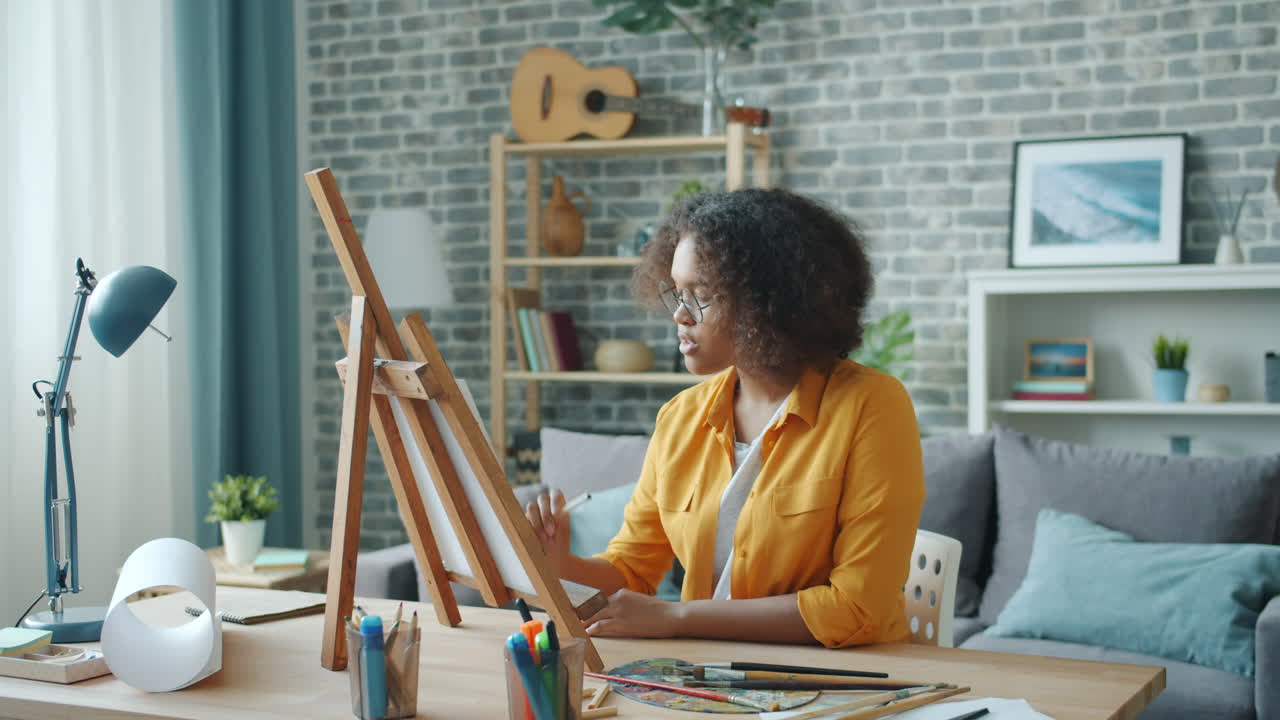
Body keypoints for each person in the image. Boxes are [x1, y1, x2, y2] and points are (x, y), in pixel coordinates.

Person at [524, 188, 924, 648]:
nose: (679, 313)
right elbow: (631, 572)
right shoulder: (680, 418)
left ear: (772, 302)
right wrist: (560, 566)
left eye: (702, 295)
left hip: (846, 678)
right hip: (711, 676)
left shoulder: (871, 406)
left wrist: (678, 617)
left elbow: (857, 611)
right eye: (677, 290)